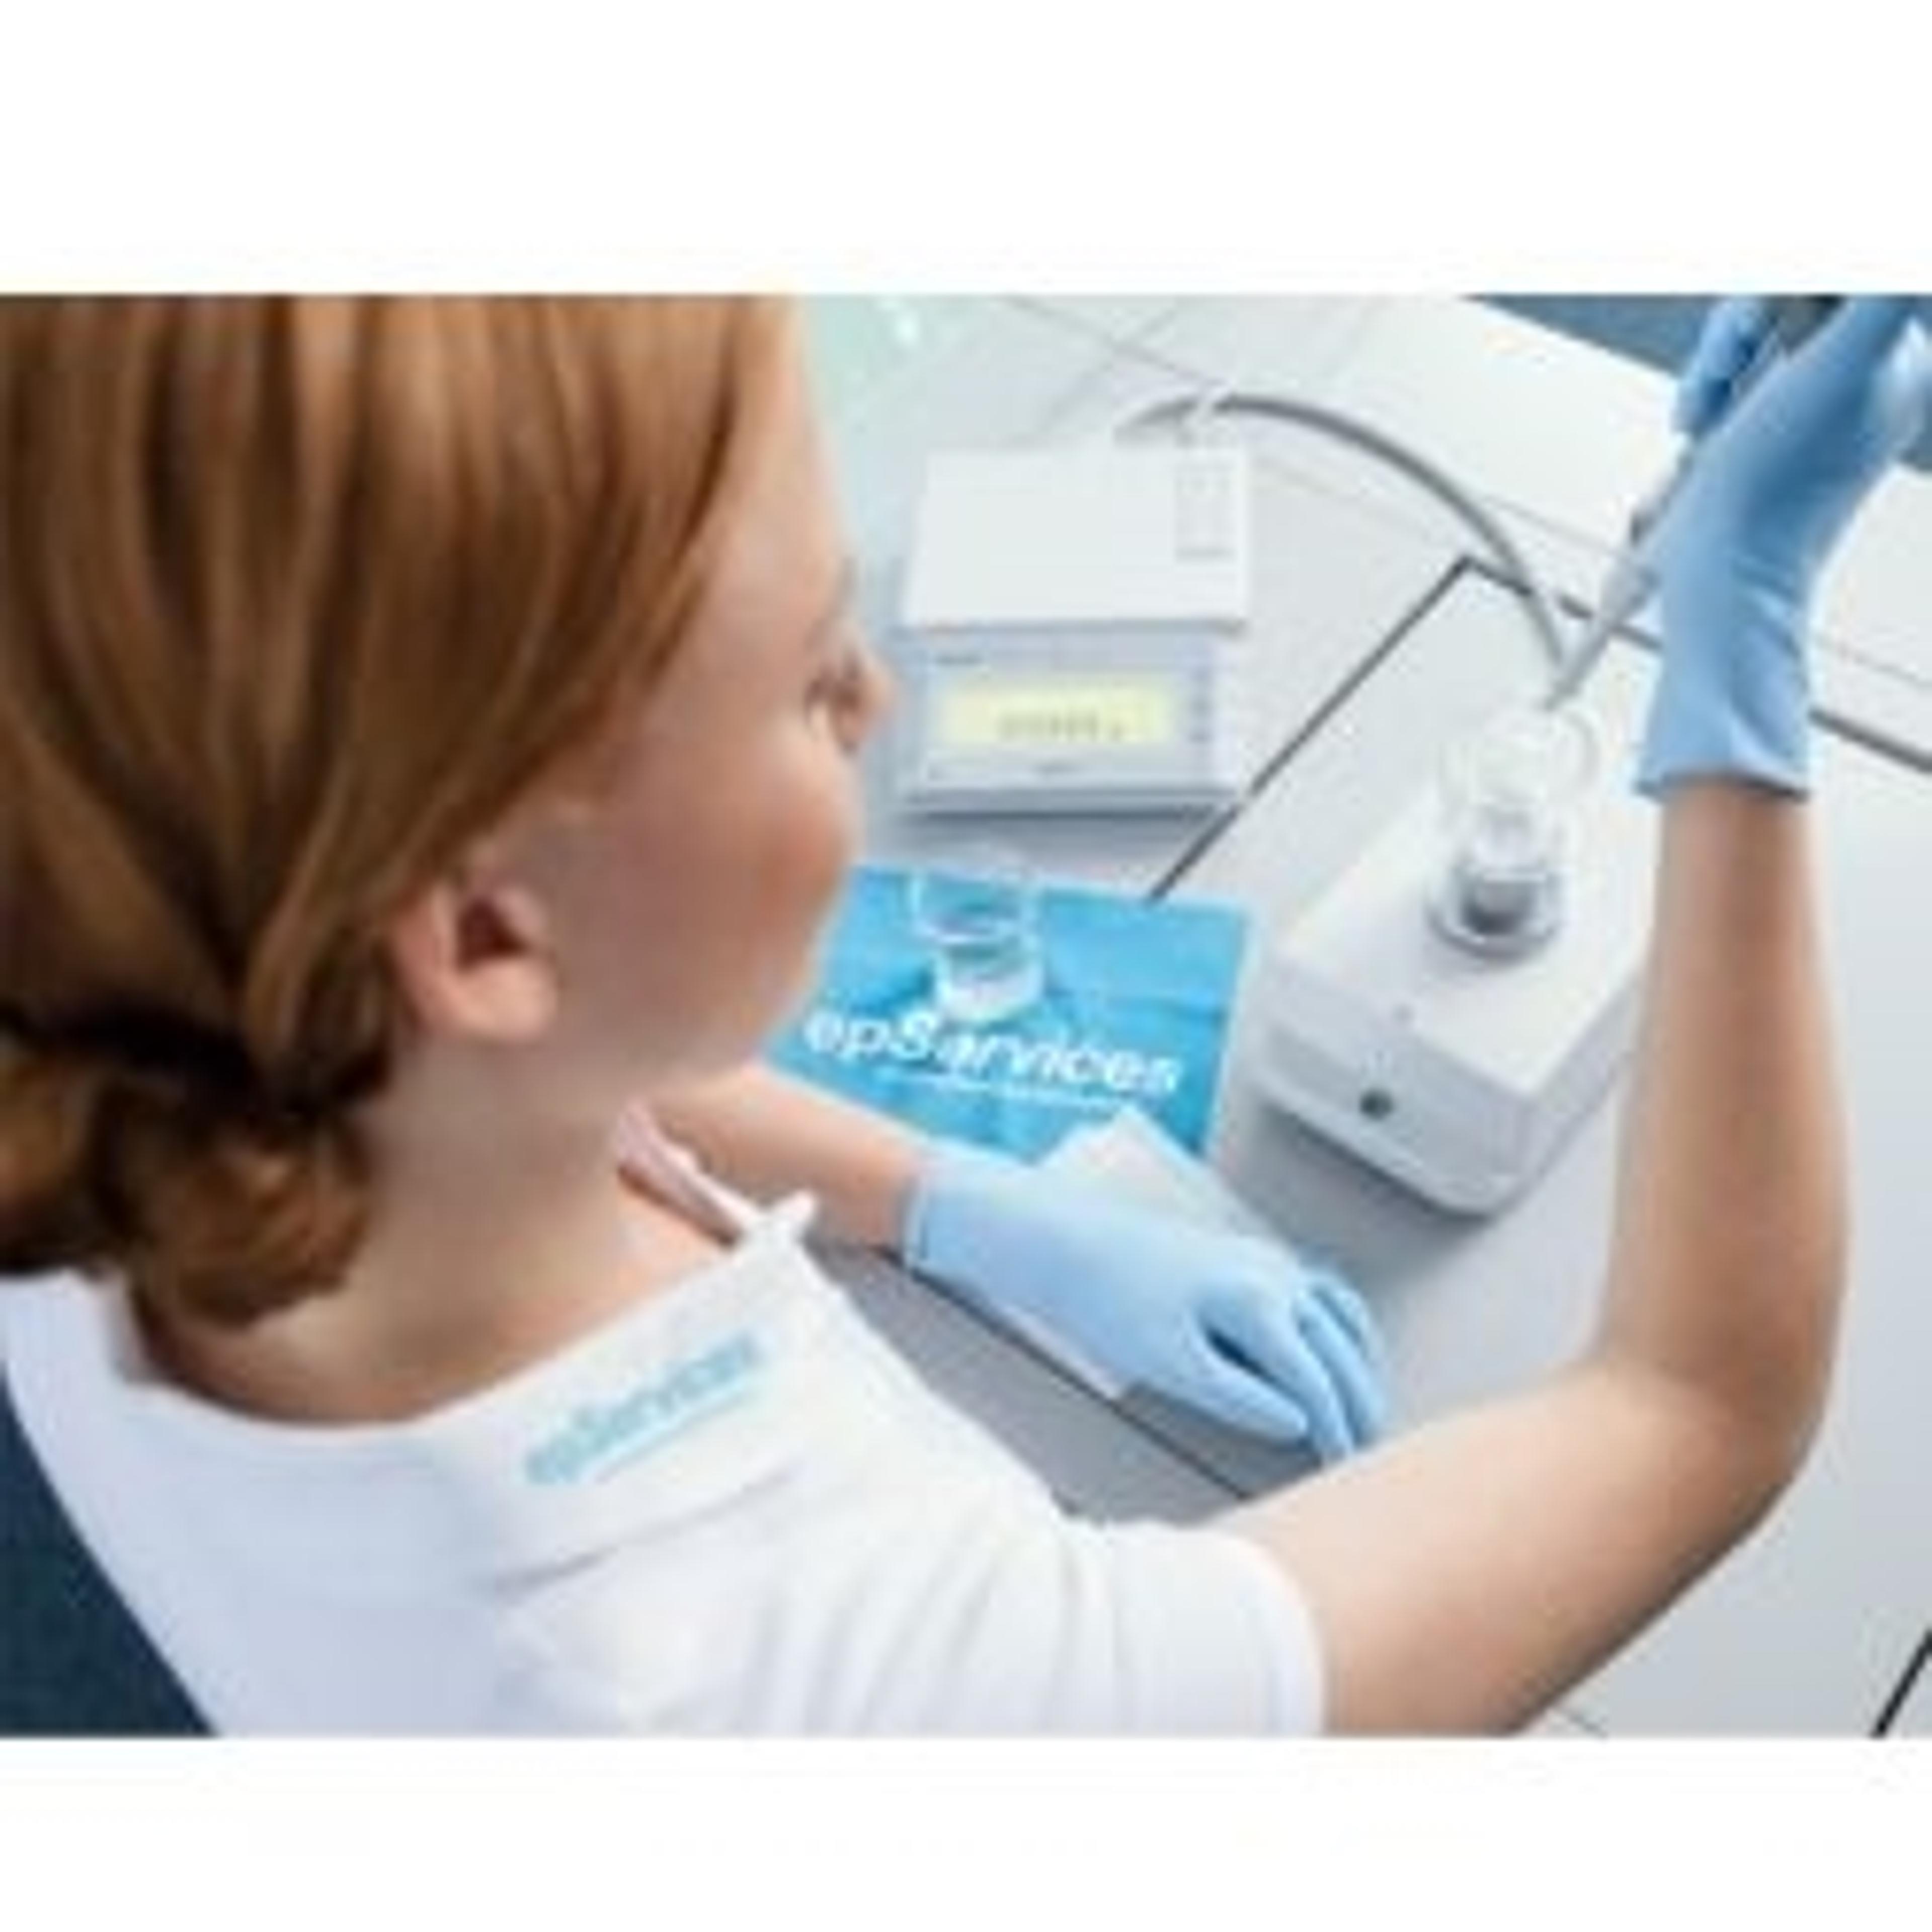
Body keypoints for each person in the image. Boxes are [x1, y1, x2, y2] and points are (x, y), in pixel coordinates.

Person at [0, 296, 1924, 1733]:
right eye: (810, 675)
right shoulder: (933, 1710)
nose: (883, 704)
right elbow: (1701, 1402)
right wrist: (1743, 630)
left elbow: (549, 1087)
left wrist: (958, 1201)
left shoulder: (126, 1012)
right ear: (490, 936)